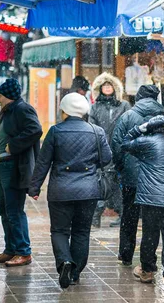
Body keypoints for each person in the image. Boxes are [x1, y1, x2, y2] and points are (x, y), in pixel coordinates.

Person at [28, 93, 111, 289]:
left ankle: (65, 261)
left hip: (60, 190)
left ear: (64, 110)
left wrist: (34, 187)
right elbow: (106, 158)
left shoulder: (55, 131)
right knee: (82, 231)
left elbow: (43, 162)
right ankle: (75, 273)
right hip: (88, 191)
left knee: (59, 230)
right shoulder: (96, 131)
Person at [117, 115, 164, 292]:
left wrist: (140, 128)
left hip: (149, 198)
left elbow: (124, 143)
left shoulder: (146, 142)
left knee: (150, 234)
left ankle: (147, 270)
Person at [111, 85, 164, 266]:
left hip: (132, 175)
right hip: (156, 176)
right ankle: (148, 259)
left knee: (129, 215)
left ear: (138, 97)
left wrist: (121, 167)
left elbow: (117, 144)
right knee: (151, 219)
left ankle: (126, 253)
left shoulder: (127, 116)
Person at [0, 79, 42, 267]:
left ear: (8, 96)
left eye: (0, 95)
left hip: (14, 165)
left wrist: (13, 146)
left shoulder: (22, 109)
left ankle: (23, 251)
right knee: (4, 210)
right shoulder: (8, 110)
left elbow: (35, 129)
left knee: (14, 211)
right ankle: (10, 249)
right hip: (3, 164)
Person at [89, 73, 131, 228]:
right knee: (105, 180)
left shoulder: (124, 105)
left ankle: (103, 214)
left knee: (112, 181)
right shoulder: (95, 107)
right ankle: (103, 214)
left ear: (115, 88)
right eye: (104, 86)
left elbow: (128, 124)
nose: (107, 88)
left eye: (109, 85)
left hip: (120, 148)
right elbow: (92, 126)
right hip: (101, 149)